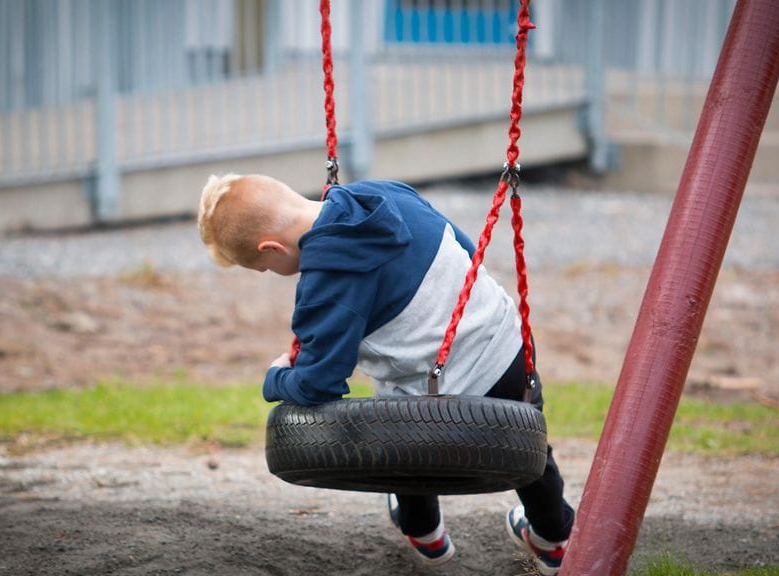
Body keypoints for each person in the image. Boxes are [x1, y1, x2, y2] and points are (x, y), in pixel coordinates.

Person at [197, 174, 573, 574]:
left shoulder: (325, 282)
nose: (274, 273)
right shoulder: (383, 192)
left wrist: (276, 377)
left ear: (270, 248)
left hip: (443, 402)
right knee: (530, 444)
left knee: (394, 426)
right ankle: (554, 535)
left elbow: (318, 383)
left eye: (266, 268)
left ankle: (423, 530)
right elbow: (467, 249)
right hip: (507, 345)